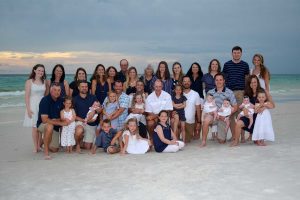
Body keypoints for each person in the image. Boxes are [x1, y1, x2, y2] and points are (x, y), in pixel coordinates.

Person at [201, 73, 237, 147]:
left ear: (224, 81)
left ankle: (218, 132)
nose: (218, 82)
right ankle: (204, 141)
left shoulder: (229, 92)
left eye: (220, 80)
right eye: (216, 80)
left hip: (223, 117)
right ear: (214, 81)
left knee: (221, 141)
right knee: (206, 120)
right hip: (212, 115)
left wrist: (227, 115)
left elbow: (235, 107)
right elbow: (205, 106)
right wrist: (208, 113)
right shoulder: (210, 92)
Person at [223, 46, 249, 141]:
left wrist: (246, 92)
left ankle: (242, 136)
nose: (236, 54)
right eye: (234, 52)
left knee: (241, 114)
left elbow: (247, 79)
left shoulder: (245, 65)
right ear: (232, 53)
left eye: (238, 53)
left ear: (241, 54)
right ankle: (235, 135)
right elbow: (224, 79)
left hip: (240, 92)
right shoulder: (227, 64)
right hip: (229, 92)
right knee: (230, 114)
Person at [231, 75, 264, 145]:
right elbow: (243, 104)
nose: (253, 84)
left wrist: (263, 107)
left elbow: (268, 103)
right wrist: (244, 108)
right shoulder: (247, 93)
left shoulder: (261, 91)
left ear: (257, 82)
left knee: (257, 142)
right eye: (251, 83)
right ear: (249, 84)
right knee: (238, 123)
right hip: (248, 114)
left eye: (255, 82)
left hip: (258, 117)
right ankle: (236, 141)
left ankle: (256, 136)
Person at [36, 83, 66, 159]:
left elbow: (64, 114)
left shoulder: (61, 100)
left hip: (55, 125)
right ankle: (46, 153)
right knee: (49, 126)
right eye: (55, 90)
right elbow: (44, 120)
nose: (57, 92)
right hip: (43, 124)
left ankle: (44, 140)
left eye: (59, 90)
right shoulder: (45, 100)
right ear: (50, 90)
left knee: (55, 149)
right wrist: (59, 122)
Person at [23, 64, 47, 153]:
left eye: (42, 71)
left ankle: (39, 145)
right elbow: (26, 97)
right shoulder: (29, 82)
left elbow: (45, 95)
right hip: (33, 105)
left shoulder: (44, 81)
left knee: (40, 126)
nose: (41, 72)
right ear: (34, 70)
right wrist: (28, 109)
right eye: (39, 70)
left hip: (42, 105)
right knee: (34, 127)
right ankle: (35, 147)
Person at [73, 81, 101, 152]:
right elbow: (73, 115)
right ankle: (78, 144)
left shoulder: (93, 97)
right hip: (80, 122)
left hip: (91, 123)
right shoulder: (74, 99)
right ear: (78, 88)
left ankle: (80, 140)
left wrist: (94, 111)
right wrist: (84, 120)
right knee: (79, 130)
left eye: (86, 87)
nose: (84, 88)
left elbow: (100, 109)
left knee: (88, 147)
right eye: (82, 87)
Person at [181, 76, 202, 142]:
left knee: (187, 140)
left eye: (188, 81)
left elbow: (198, 109)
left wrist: (199, 122)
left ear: (190, 83)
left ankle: (190, 134)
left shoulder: (195, 94)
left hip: (190, 122)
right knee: (174, 121)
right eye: (184, 81)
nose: (186, 83)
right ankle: (176, 137)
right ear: (182, 83)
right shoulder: (178, 93)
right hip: (179, 120)